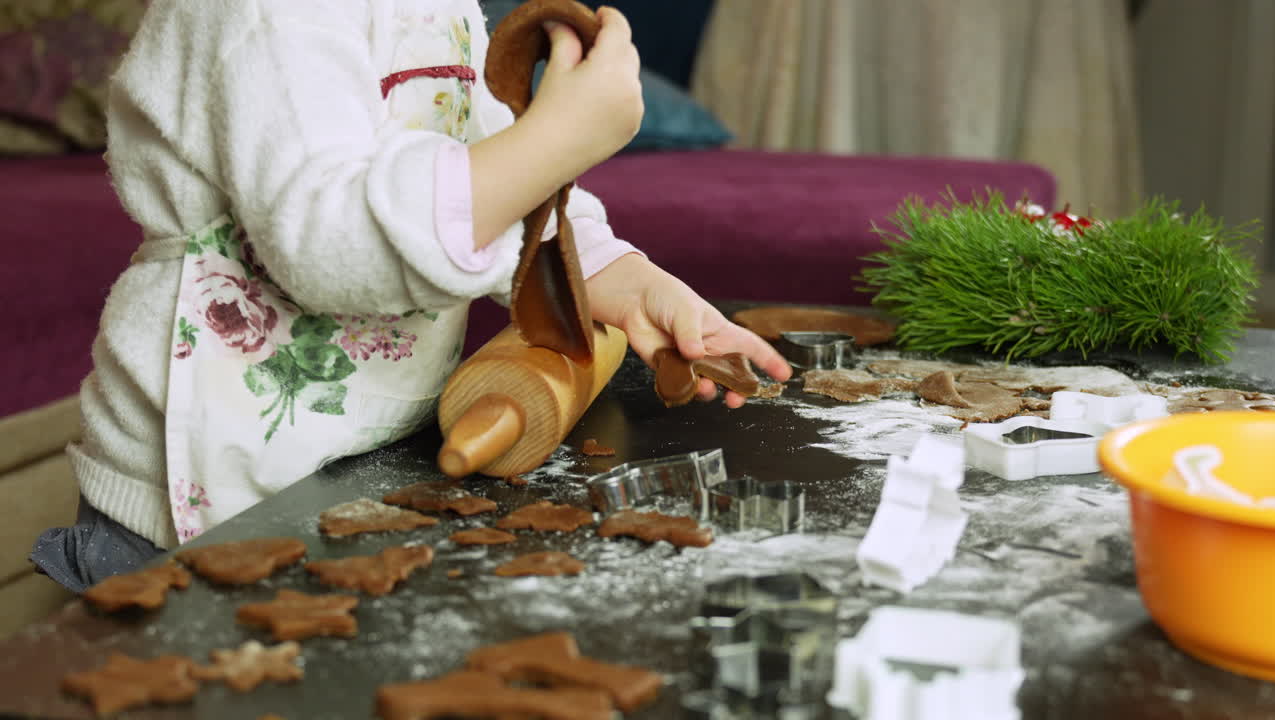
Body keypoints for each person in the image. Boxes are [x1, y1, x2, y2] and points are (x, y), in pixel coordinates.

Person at [29, 0, 791, 593]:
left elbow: (492, 179)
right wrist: (560, 135)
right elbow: (330, 245)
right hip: (197, 505)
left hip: (348, 466)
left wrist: (626, 281)